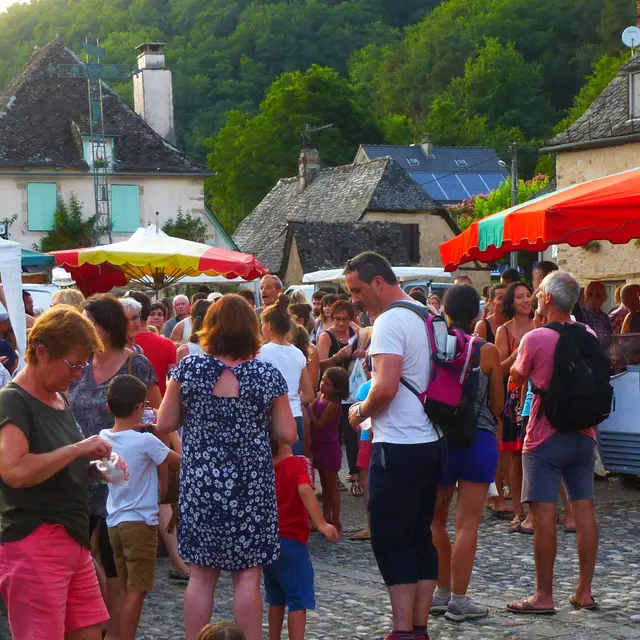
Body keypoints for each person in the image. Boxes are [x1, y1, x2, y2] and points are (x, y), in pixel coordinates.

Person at [156, 294, 297, 640]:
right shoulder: (265, 374)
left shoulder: (188, 368)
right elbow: (287, 433)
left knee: (201, 575)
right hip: (251, 483)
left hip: (202, 480)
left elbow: (164, 422)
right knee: (248, 574)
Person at [345, 252, 444, 640]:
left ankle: (402, 630)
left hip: (398, 444)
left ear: (379, 282)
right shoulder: (427, 314)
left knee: (390, 537)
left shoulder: (388, 321)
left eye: (357, 289)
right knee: (421, 533)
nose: (354, 299)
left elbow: (385, 387)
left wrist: (358, 411)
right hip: (432, 440)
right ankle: (418, 628)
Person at [0, 305, 112, 640]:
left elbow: (55, 461)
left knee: (91, 630)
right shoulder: (12, 401)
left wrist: (92, 469)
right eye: (74, 364)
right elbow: (16, 471)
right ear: (42, 352)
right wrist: (77, 450)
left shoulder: (58, 398)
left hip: (72, 539)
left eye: (83, 365)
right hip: (34, 539)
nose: (78, 374)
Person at [68, 294, 161, 637]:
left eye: (91, 321)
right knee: (84, 562)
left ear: (108, 325)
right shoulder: (78, 363)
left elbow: (157, 413)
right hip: (81, 474)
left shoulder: (136, 363)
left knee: (113, 566)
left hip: (122, 481)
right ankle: (99, 626)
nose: (87, 328)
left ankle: (116, 633)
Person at [507, 271, 599, 614]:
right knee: (584, 510)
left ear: (546, 300)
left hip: (544, 437)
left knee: (544, 516)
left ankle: (544, 596)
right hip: (584, 435)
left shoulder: (535, 338)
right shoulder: (587, 333)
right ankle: (584, 591)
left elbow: (516, 379)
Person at [430, 285, 504, 622]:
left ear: (444, 312)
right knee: (467, 526)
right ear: (478, 314)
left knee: (435, 522)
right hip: (479, 439)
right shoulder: (487, 351)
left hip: (438, 439)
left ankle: (440, 592)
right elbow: (498, 406)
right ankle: (459, 600)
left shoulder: (433, 348)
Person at [100, 374, 181, 640]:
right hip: (141, 522)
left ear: (108, 407)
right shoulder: (146, 441)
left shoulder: (102, 438)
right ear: (140, 408)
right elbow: (179, 459)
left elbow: (114, 473)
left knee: (123, 585)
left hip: (114, 521)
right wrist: (166, 429)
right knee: (138, 588)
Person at [265, 436, 339, 640]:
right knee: (298, 599)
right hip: (293, 540)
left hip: (268, 540)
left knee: (275, 597)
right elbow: (304, 488)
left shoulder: (263, 465)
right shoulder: (300, 462)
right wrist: (321, 523)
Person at [494, 282, 534, 527]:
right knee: (515, 455)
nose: (526, 300)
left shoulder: (539, 325)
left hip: (536, 394)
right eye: (520, 297)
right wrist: (518, 352)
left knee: (535, 454)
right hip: (514, 398)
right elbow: (499, 369)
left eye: (528, 295)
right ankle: (519, 510)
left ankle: (537, 509)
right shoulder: (504, 331)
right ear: (512, 302)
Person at [317, 300, 365, 494]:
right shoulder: (326, 336)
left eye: (345, 319)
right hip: (332, 392)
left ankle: (355, 475)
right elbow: (320, 365)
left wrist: (363, 351)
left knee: (352, 432)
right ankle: (333, 475)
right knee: (332, 434)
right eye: (337, 319)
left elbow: (366, 344)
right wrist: (336, 357)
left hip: (352, 390)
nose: (340, 323)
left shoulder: (356, 334)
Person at [260, 294, 314, 456]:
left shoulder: (261, 353)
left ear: (269, 326)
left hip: (272, 418)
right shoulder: (298, 354)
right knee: (293, 471)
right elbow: (309, 394)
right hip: (295, 416)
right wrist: (293, 399)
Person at [310, 367, 350, 531]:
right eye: (322, 381)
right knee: (324, 485)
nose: (322, 386)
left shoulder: (333, 404)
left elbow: (319, 424)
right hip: (319, 445)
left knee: (331, 484)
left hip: (329, 447)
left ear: (337, 388)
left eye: (327, 384)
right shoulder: (320, 397)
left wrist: (308, 409)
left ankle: (336, 519)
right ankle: (326, 517)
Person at [128, 291, 178, 395]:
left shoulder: (119, 343)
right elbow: (174, 382)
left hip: (127, 406)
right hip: (158, 405)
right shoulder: (168, 344)